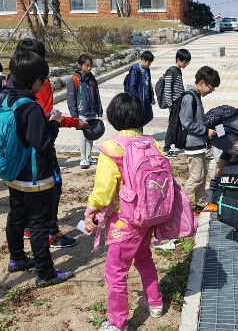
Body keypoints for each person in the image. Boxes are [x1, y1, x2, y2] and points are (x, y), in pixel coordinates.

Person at [0, 38, 85, 248]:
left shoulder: (10, 85)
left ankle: (20, 249)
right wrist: (73, 122)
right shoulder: (38, 85)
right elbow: (46, 119)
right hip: (39, 157)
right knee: (52, 190)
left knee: (18, 207)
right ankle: (49, 234)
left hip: (15, 155)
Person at [84, 93, 164, 331]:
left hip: (124, 221)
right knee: (144, 259)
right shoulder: (151, 143)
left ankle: (118, 323)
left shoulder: (110, 148)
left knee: (116, 272)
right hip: (148, 216)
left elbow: (104, 191)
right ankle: (156, 303)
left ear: (113, 117)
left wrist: (91, 210)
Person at [2, 51, 73, 288]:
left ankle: (17, 258)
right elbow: (42, 143)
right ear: (34, 80)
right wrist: (52, 122)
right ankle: (45, 272)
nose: (44, 82)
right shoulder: (31, 107)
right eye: (42, 78)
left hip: (15, 173)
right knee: (39, 224)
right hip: (35, 176)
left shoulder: (9, 100)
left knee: (16, 217)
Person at [179, 66, 220, 213]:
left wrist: (206, 139)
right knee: (196, 177)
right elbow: (186, 122)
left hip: (199, 143)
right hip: (192, 144)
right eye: (211, 88)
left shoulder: (196, 96)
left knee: (202, 176)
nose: (210, 91)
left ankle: (201, 203)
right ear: (202, 82)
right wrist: (205, 131)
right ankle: (180, 205)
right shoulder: (189, 97)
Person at [66, 54, 103, 169]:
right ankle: (83, 158)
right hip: (82, 112)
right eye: (86, 65)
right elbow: (71, 98)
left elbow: (97, 96)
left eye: (90, 66)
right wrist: (74, 115)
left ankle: (89, 156)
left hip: (92, 112)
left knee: (91, 134)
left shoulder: (92, 80)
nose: (89, 68)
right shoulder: (75, 80)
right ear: (79, 65)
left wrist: (100, 112)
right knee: (84, 135)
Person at [163, 48, 191, 158]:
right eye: (185, 62)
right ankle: (166, 148)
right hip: (174, 104)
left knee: (178, 124)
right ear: (178, 60)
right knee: (172, 125)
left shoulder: (178, 71)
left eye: (187, 63)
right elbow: (167, 89)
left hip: (179, 103)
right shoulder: (171, 71)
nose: (186, 64)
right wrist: (170, 105)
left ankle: (178, 145)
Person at [125, 50, 155, 129]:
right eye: (148, 63)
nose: (149, 65)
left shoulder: (147, 69)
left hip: (146, 98)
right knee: (139, 119)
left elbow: (149, 83)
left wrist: (151, 95)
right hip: (138, 99)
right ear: (143, 59)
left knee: (149, 116)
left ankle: (137, 132)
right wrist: (135, 100)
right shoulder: (135, 71)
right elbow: (132, 87)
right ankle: (138, 136)